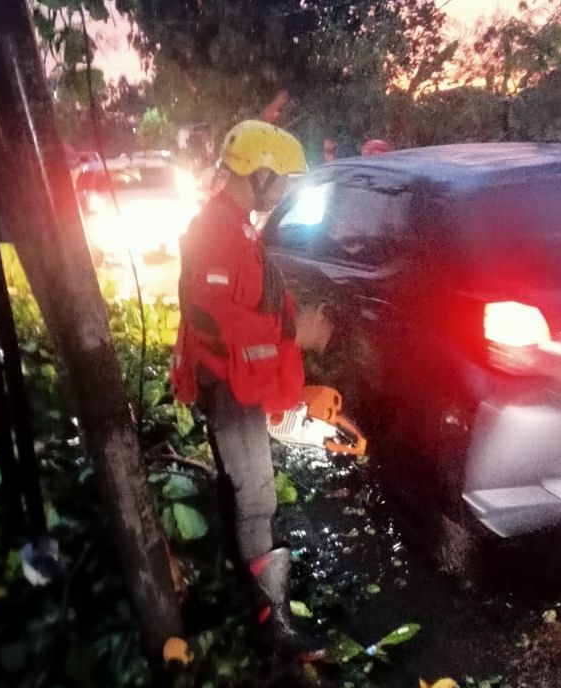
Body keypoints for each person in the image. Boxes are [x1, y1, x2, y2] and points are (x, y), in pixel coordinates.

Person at [171, 120, 331, 654]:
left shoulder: (234, 224)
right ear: (258, 174)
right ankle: (273, 624)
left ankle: (247, 585)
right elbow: (216, 320)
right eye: (280, 178)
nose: (283, 190)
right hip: (229, 388)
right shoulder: (218, 229)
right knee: (257, 495)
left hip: (235, 384)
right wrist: (294, 333)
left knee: (239, 488)